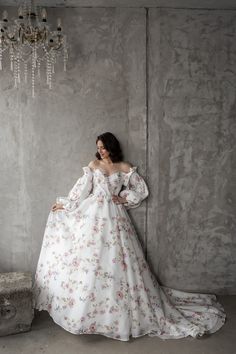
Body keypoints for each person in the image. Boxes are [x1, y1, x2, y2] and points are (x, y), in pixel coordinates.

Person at [32, 131, 226, 341]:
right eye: (98, 148)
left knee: (118, 262)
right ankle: (88, 311)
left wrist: (124, 198)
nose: (100, 151)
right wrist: (66, 204)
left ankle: (119, 310)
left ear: (111, 147)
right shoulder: (94, 166)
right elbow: (82, 191)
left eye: (103, 147)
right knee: (89, 261)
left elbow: (141, 190)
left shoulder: (124, 167)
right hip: (92, 215)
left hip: (115, 217)